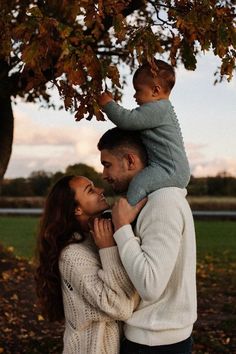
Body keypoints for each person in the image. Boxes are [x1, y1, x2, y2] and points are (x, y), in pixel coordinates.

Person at [97, 128, 197, 354]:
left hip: (154, 343)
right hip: (157, 339)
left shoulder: (162, 202)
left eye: (107, 164)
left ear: (130, 161)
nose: (103, 174)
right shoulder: (153, 200)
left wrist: (122, 228)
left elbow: (150, 285)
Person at [35, 175, 143, 354]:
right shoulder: (72, 255)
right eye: (90, 190)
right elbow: (122, 308)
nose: (100, 190)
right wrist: (108, 249)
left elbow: (130, 291)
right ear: (77, 209)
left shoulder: (95, 240)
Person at [98, 59, 190, 206]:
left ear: (155, 90)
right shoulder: (161, 109)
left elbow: (128, 120)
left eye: (138, 90)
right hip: (169, 168)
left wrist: (108, 104)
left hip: (169, 170)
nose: (135, 96)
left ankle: (129, 211)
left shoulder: (159, 108)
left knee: (139, 183)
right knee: (142, 183)